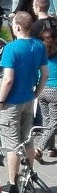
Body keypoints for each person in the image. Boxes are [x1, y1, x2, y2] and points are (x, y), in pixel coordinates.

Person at [0, 12, 48, 193]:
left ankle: (12, 184)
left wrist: (1, 99)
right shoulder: (39, 45)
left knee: (12, 143)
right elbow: (45, 73)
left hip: (12, 102)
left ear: (17, 27)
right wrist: (36, 92)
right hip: (28, 99)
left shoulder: (11, 48)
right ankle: (29, 176)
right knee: (27, 139)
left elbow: (8, 79)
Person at [37, 27, 57, 159]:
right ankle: (39, 148)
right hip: (55, 90)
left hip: (42, 89)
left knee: (46, 120)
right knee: (54, 121)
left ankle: (51, 148)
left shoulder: (39, 54)